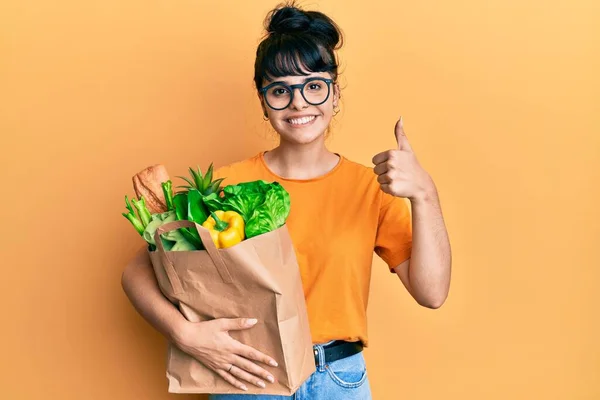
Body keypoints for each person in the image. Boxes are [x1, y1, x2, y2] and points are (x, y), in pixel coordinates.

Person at [121, 2, 452, 399]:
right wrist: (185, 334)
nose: (298, 103)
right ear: (263, 101)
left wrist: (425, 194)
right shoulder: (224, 186)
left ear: (335, 95)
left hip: (338, 381)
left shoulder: (370, 188)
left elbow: (431, 293)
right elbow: (138, 271)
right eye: (280, 90)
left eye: (314, 85)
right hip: (249, 378)